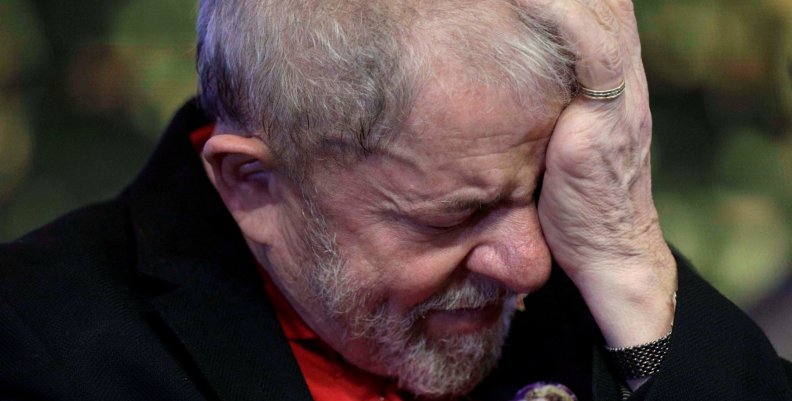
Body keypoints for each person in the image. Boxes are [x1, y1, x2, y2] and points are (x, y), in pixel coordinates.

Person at [1, 0, 790, 400]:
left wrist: (634, 264)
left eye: (541, 186)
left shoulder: (601, 282)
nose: (529, 263)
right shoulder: (36, 348)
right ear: (253, 183)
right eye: (454, 213)